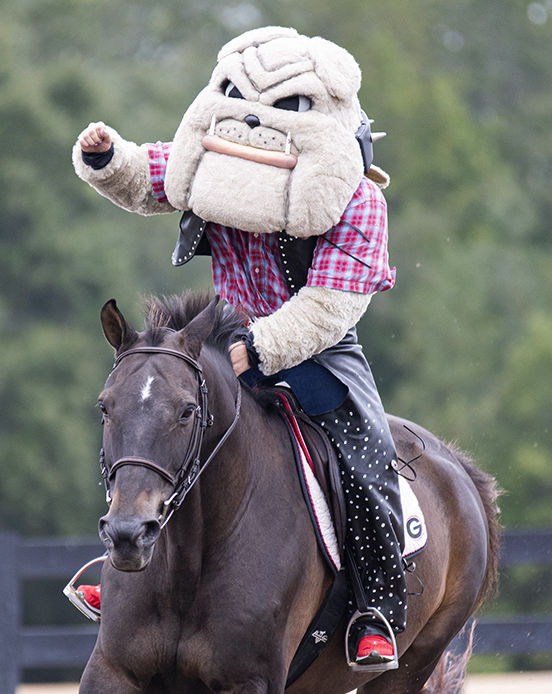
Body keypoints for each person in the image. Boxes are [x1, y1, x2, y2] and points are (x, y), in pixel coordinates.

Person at [70, 26, 405, 670]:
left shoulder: (358, 199)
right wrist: (111, 159)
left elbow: (330, 304)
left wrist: (263, 345)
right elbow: (155, 174)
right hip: (218, 337)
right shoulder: (216, 160)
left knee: (367, 454)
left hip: (317, 349)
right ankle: (117, 566)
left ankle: (376, 608)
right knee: (144, 414)